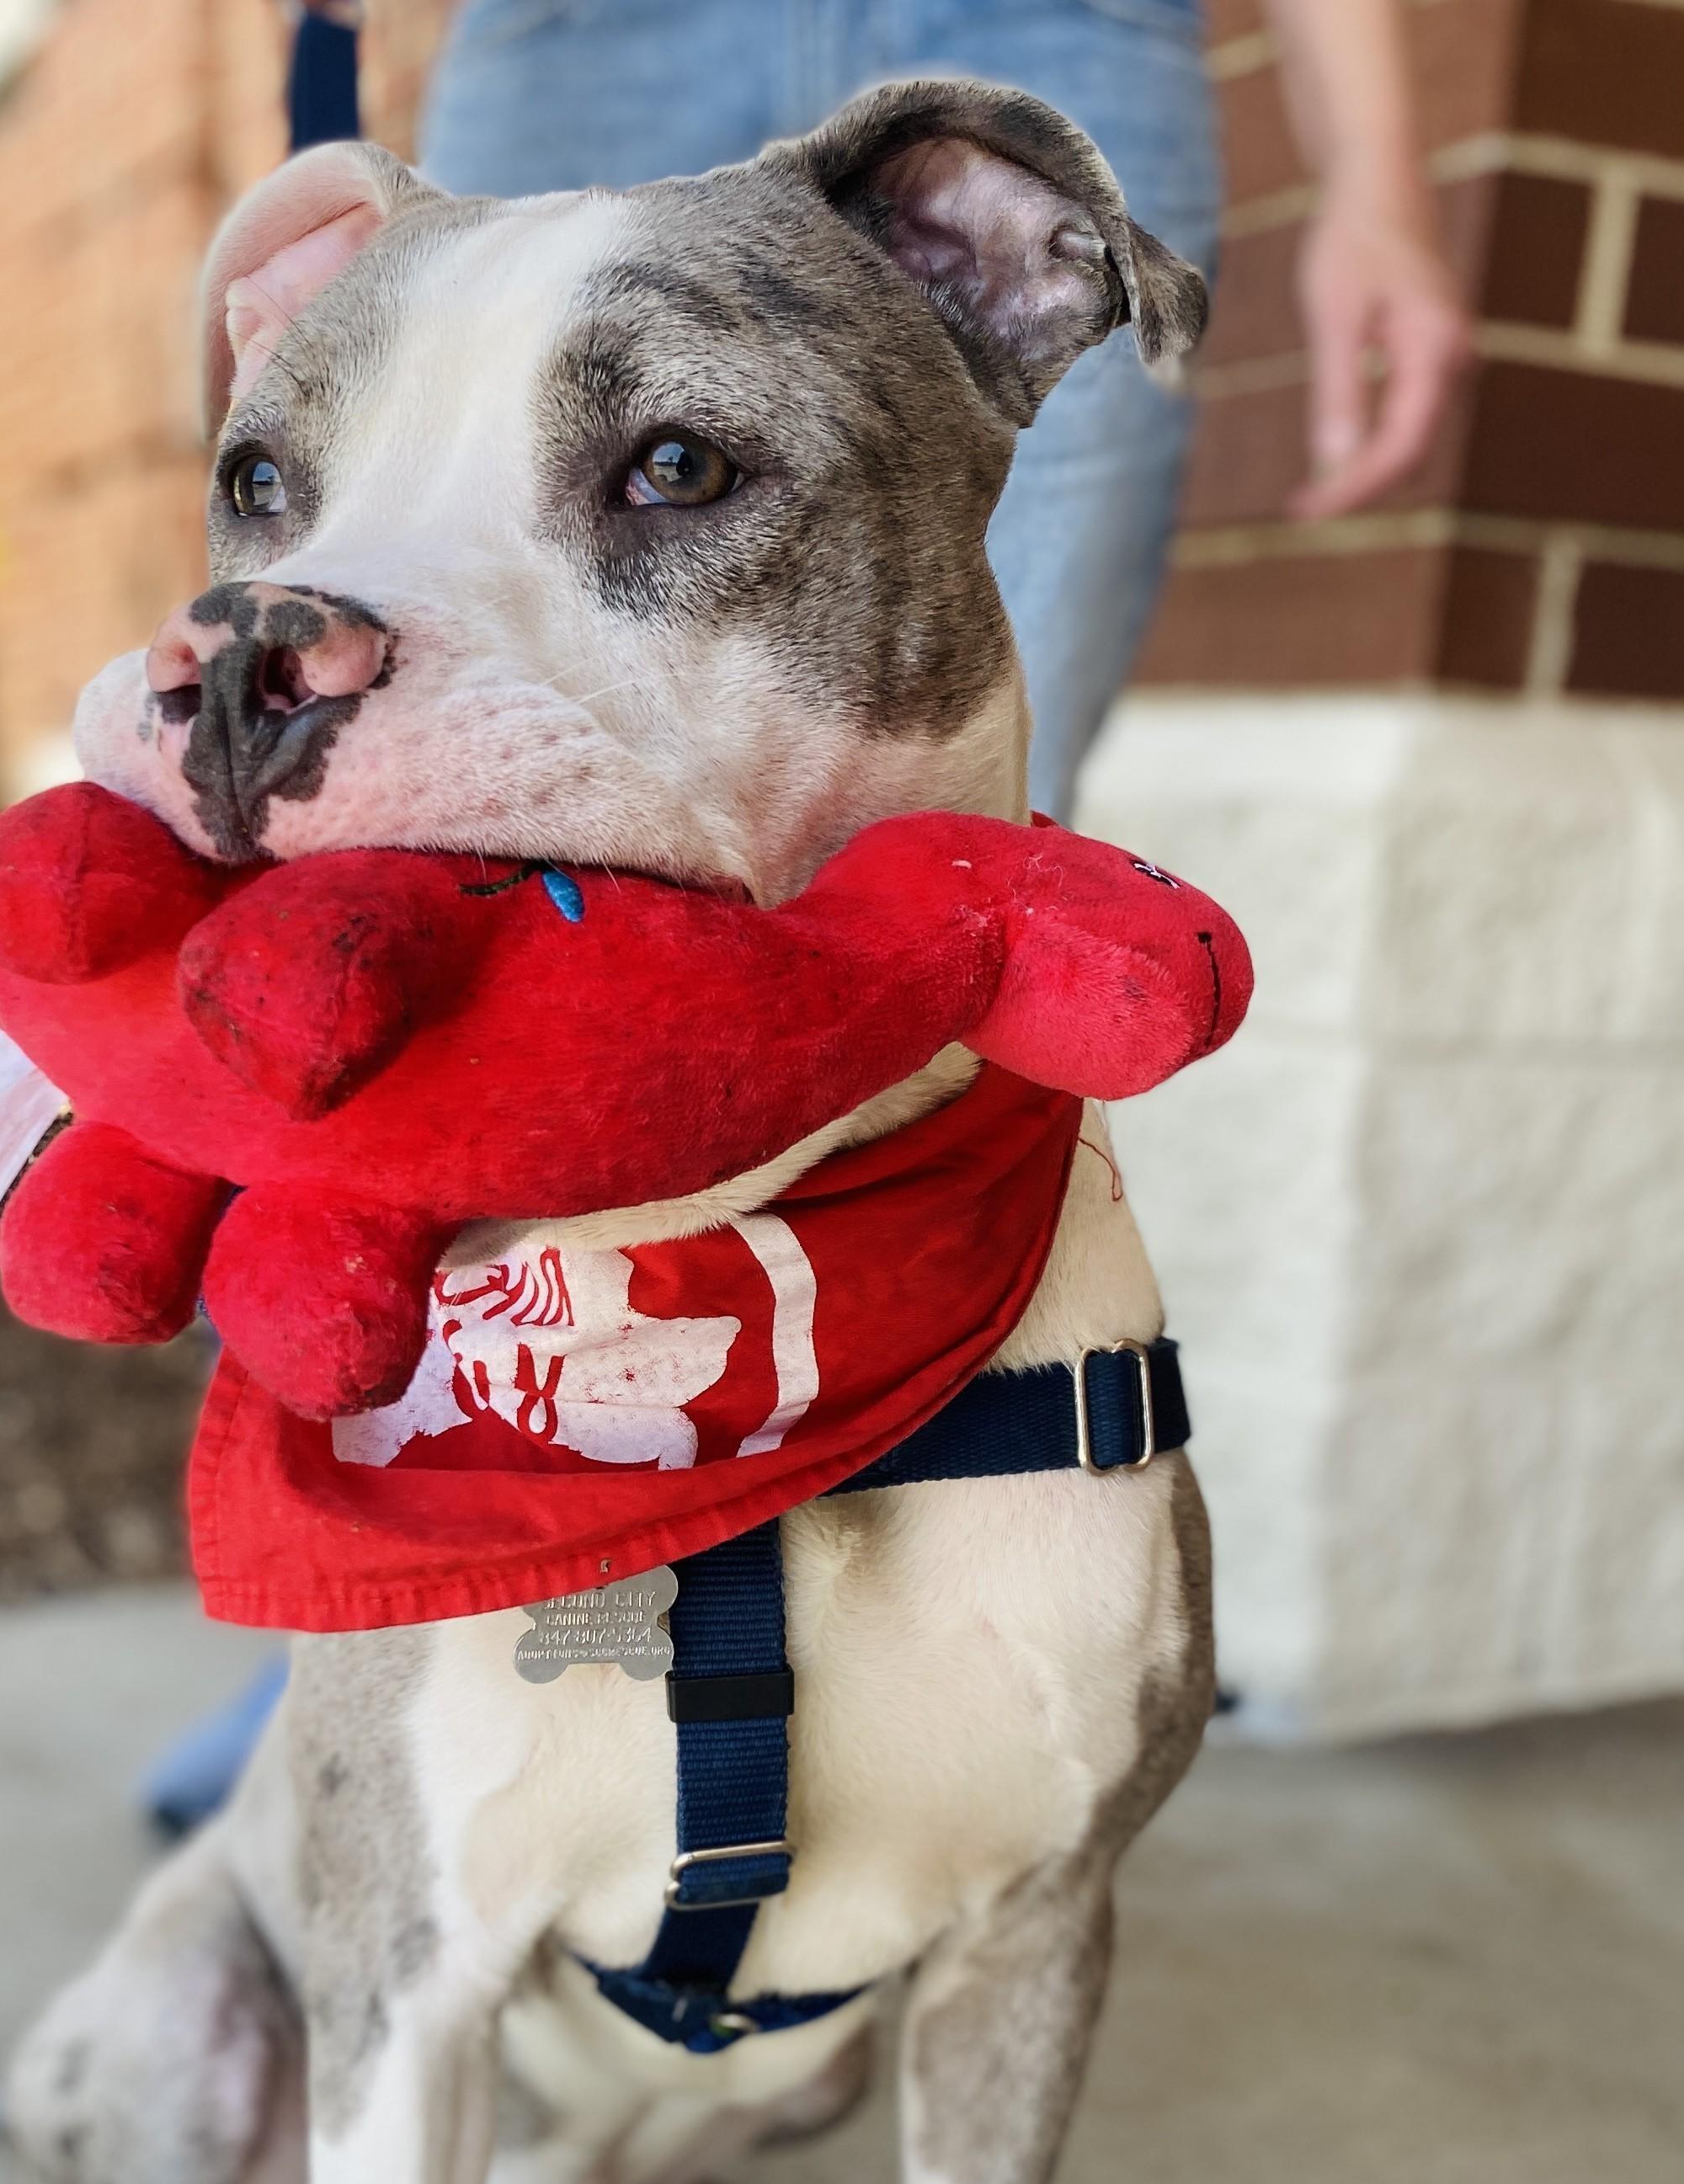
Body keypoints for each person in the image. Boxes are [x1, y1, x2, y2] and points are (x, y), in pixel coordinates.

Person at [143, 0, 1468, 1832]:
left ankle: (936, 1639)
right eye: (252, 484)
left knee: (944, 927)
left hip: (1051, 25)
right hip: (568, 27)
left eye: (673, 464)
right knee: (377, 924)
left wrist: (1380, 177)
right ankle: (392, 1629)